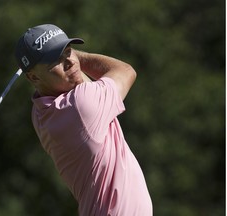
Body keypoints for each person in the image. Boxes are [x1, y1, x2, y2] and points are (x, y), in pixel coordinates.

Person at [15, 24, 152, 216]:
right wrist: (77, 55)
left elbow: (77, 82)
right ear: (33, 77)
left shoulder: (40, 113)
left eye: (68, 51)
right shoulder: (81, 105)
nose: (70, 62)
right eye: (55, 60)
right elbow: (126, 71)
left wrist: (59, 54)